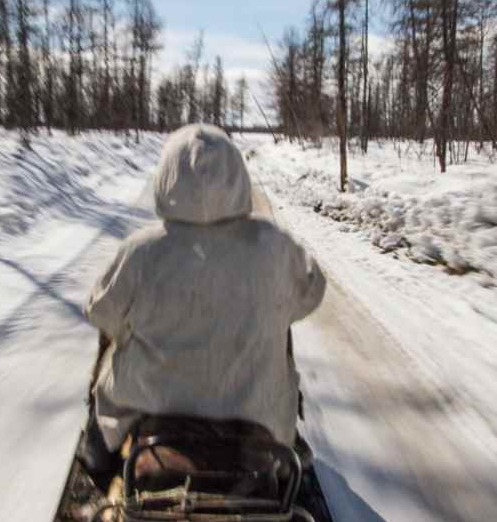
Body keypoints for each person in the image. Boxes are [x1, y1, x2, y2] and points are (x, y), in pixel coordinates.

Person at [78, 124, 326, 475]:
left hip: (149, 410)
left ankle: (106, 485)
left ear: (166, 178)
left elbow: (100, 311)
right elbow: (311, 293)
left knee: (98, 448)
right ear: (238, 176)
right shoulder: (274, 244)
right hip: (258, 417)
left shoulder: (141, 250)